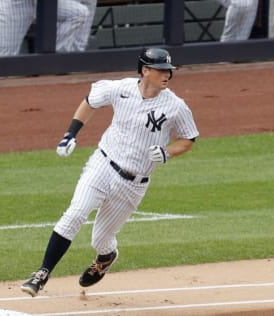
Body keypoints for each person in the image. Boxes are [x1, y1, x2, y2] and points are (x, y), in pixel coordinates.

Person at [20, 47, 200, 297]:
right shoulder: (120, 89)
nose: (167, 74)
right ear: (145, 70)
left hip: (134, 183)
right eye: (161, 69)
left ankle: (106, 257)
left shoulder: (176, 106)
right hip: (103, 164)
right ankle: (41, 274)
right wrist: (70, 133)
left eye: (169, 70)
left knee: (101, 240)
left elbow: (188, 138)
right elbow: (90, 100)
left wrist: (168, 152)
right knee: (75, 214)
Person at [0, 0, 97, 56]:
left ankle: (57, 59)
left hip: (45, 3)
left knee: (78, 13)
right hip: (14, 4)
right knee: (7, 59)